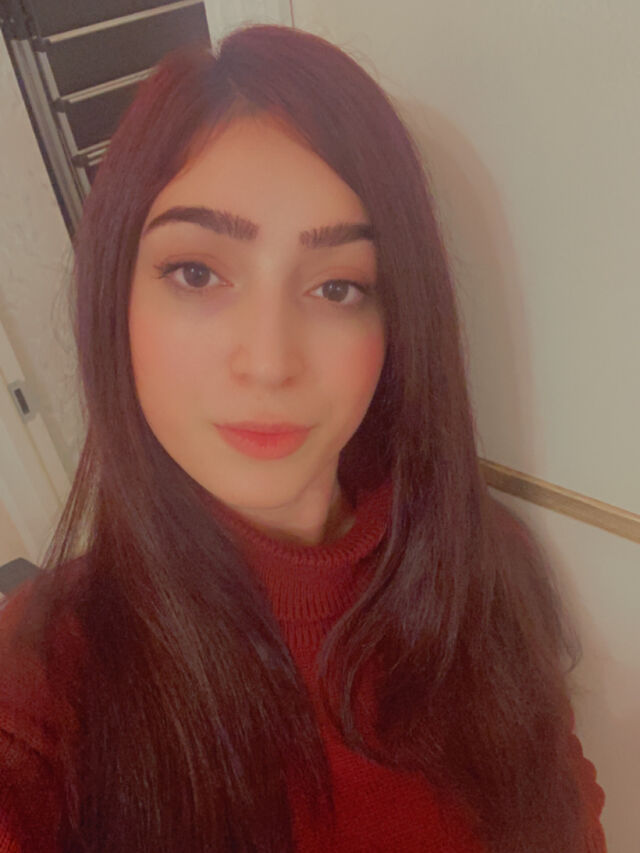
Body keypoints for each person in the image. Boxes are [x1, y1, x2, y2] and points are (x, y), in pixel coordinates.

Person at [0, 23, 606, 853]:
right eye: (197, 272)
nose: (270, 360)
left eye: (336, 286)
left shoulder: (482, 565)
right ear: (116, 298)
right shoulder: (43, 683)